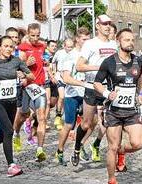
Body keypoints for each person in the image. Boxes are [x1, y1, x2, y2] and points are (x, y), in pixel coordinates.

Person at [0, 36, 34, 177]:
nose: (9, 49)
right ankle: (11, 165)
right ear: (0, 47)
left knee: (3, 135)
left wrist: (24, 75)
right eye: (6, 46)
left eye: (11, 46)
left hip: (12, 102)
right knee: (9, 131)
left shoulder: (17, 61)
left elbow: (31, 76)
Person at [94, 28, 142, 184]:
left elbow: (140, 79)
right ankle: (111, 179)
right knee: (112, 147)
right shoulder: (109, 62)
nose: (130, 42)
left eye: (132, 40)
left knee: (137, 143)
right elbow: (96, 83)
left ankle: (122, 151)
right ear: (118, 41)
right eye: (126, 40)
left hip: (131, 111)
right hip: (113, 111)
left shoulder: (138, 61)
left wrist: (140, 94)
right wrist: (107, 94)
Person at [71, 14, 117, 166]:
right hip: (92, 87)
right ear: (97, 26)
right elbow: (79, 66)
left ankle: (116, 156)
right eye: (104, 23)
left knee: (112, 123)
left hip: (108, 88)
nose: (107, 26)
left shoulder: (114, 45)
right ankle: (77, 148)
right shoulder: (90, 44)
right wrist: (101, 67)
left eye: (109, 23)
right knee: (86, 124)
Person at [55, 27, 91, 166]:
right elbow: (66, 78)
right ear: (77, 39)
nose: (87, 42)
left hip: (86, 94)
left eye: (88, 39)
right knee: (69, 125)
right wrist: (83, 84)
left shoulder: (88, 54)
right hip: (72, 95)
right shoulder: (70, 56)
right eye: (84, 40)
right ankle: (60, 150)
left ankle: (79, 145)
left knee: (92, 122)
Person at [15, 23, 48, 162]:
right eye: (32, 35)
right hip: (27, 86)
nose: (35, 38)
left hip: (39, 86)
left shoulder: (42, 46)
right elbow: (17, 68)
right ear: (28, 34)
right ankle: (16, 133)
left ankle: (40, 149)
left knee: (42, 118)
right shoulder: (23, 48)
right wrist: (27, 64)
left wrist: (45, 62)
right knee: (23, 115)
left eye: (37, 35)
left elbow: (44, 60)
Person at [52, 38, 74, 130]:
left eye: (71, 47)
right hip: (60, 77)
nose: (70, 49)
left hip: (70, 78)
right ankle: (58, 115)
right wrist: (54, 72)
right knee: (62, 96)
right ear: (63, 46)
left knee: (68, 99)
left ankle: (65, 119)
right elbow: (53, 62)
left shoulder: (74, 53)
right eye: (68, 47)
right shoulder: (59, 53)